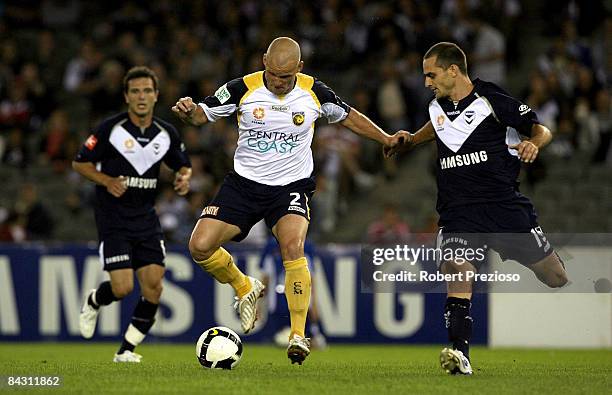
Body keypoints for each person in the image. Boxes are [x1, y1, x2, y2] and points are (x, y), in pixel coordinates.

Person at [173, 37, 401, 365]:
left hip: (290, 187)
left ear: (300, 68)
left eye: (286, 76)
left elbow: (349, 117)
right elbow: (202, 115)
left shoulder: (314, 92)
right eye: (273, 74)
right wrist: (189, 110)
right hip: (244, 185)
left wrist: (385, 137)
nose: (278, 82)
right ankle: (243, 286)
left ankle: (298, 335)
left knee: (293, 247)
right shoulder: (241, 88)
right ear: (264, 60)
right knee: (199, 245)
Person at [386, 42, 568, 375]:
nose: (427, 82)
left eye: (431, 74)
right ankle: (460, 356)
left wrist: (533, 143)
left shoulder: (492, 99)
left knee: (555, 276)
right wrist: (412, 139)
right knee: (458, 271)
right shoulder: (436, 106)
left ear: (453, 70)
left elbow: (543, 129)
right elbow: (439, 126)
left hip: (503, 207)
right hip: (458, 211)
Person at [73, 66, 192, 363]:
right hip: (113, 219)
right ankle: (93, 300)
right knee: (123, 288)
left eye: (147, 91)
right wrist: (106, 181)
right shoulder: (110, 129)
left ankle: (126, 351)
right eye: (136, 91)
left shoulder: (166, 133)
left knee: (154, 286)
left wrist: (183, 177)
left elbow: (183, 164)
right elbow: (80, 163)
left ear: (156, 96)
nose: (142, 96)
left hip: (146, 218)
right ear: (126, 96)